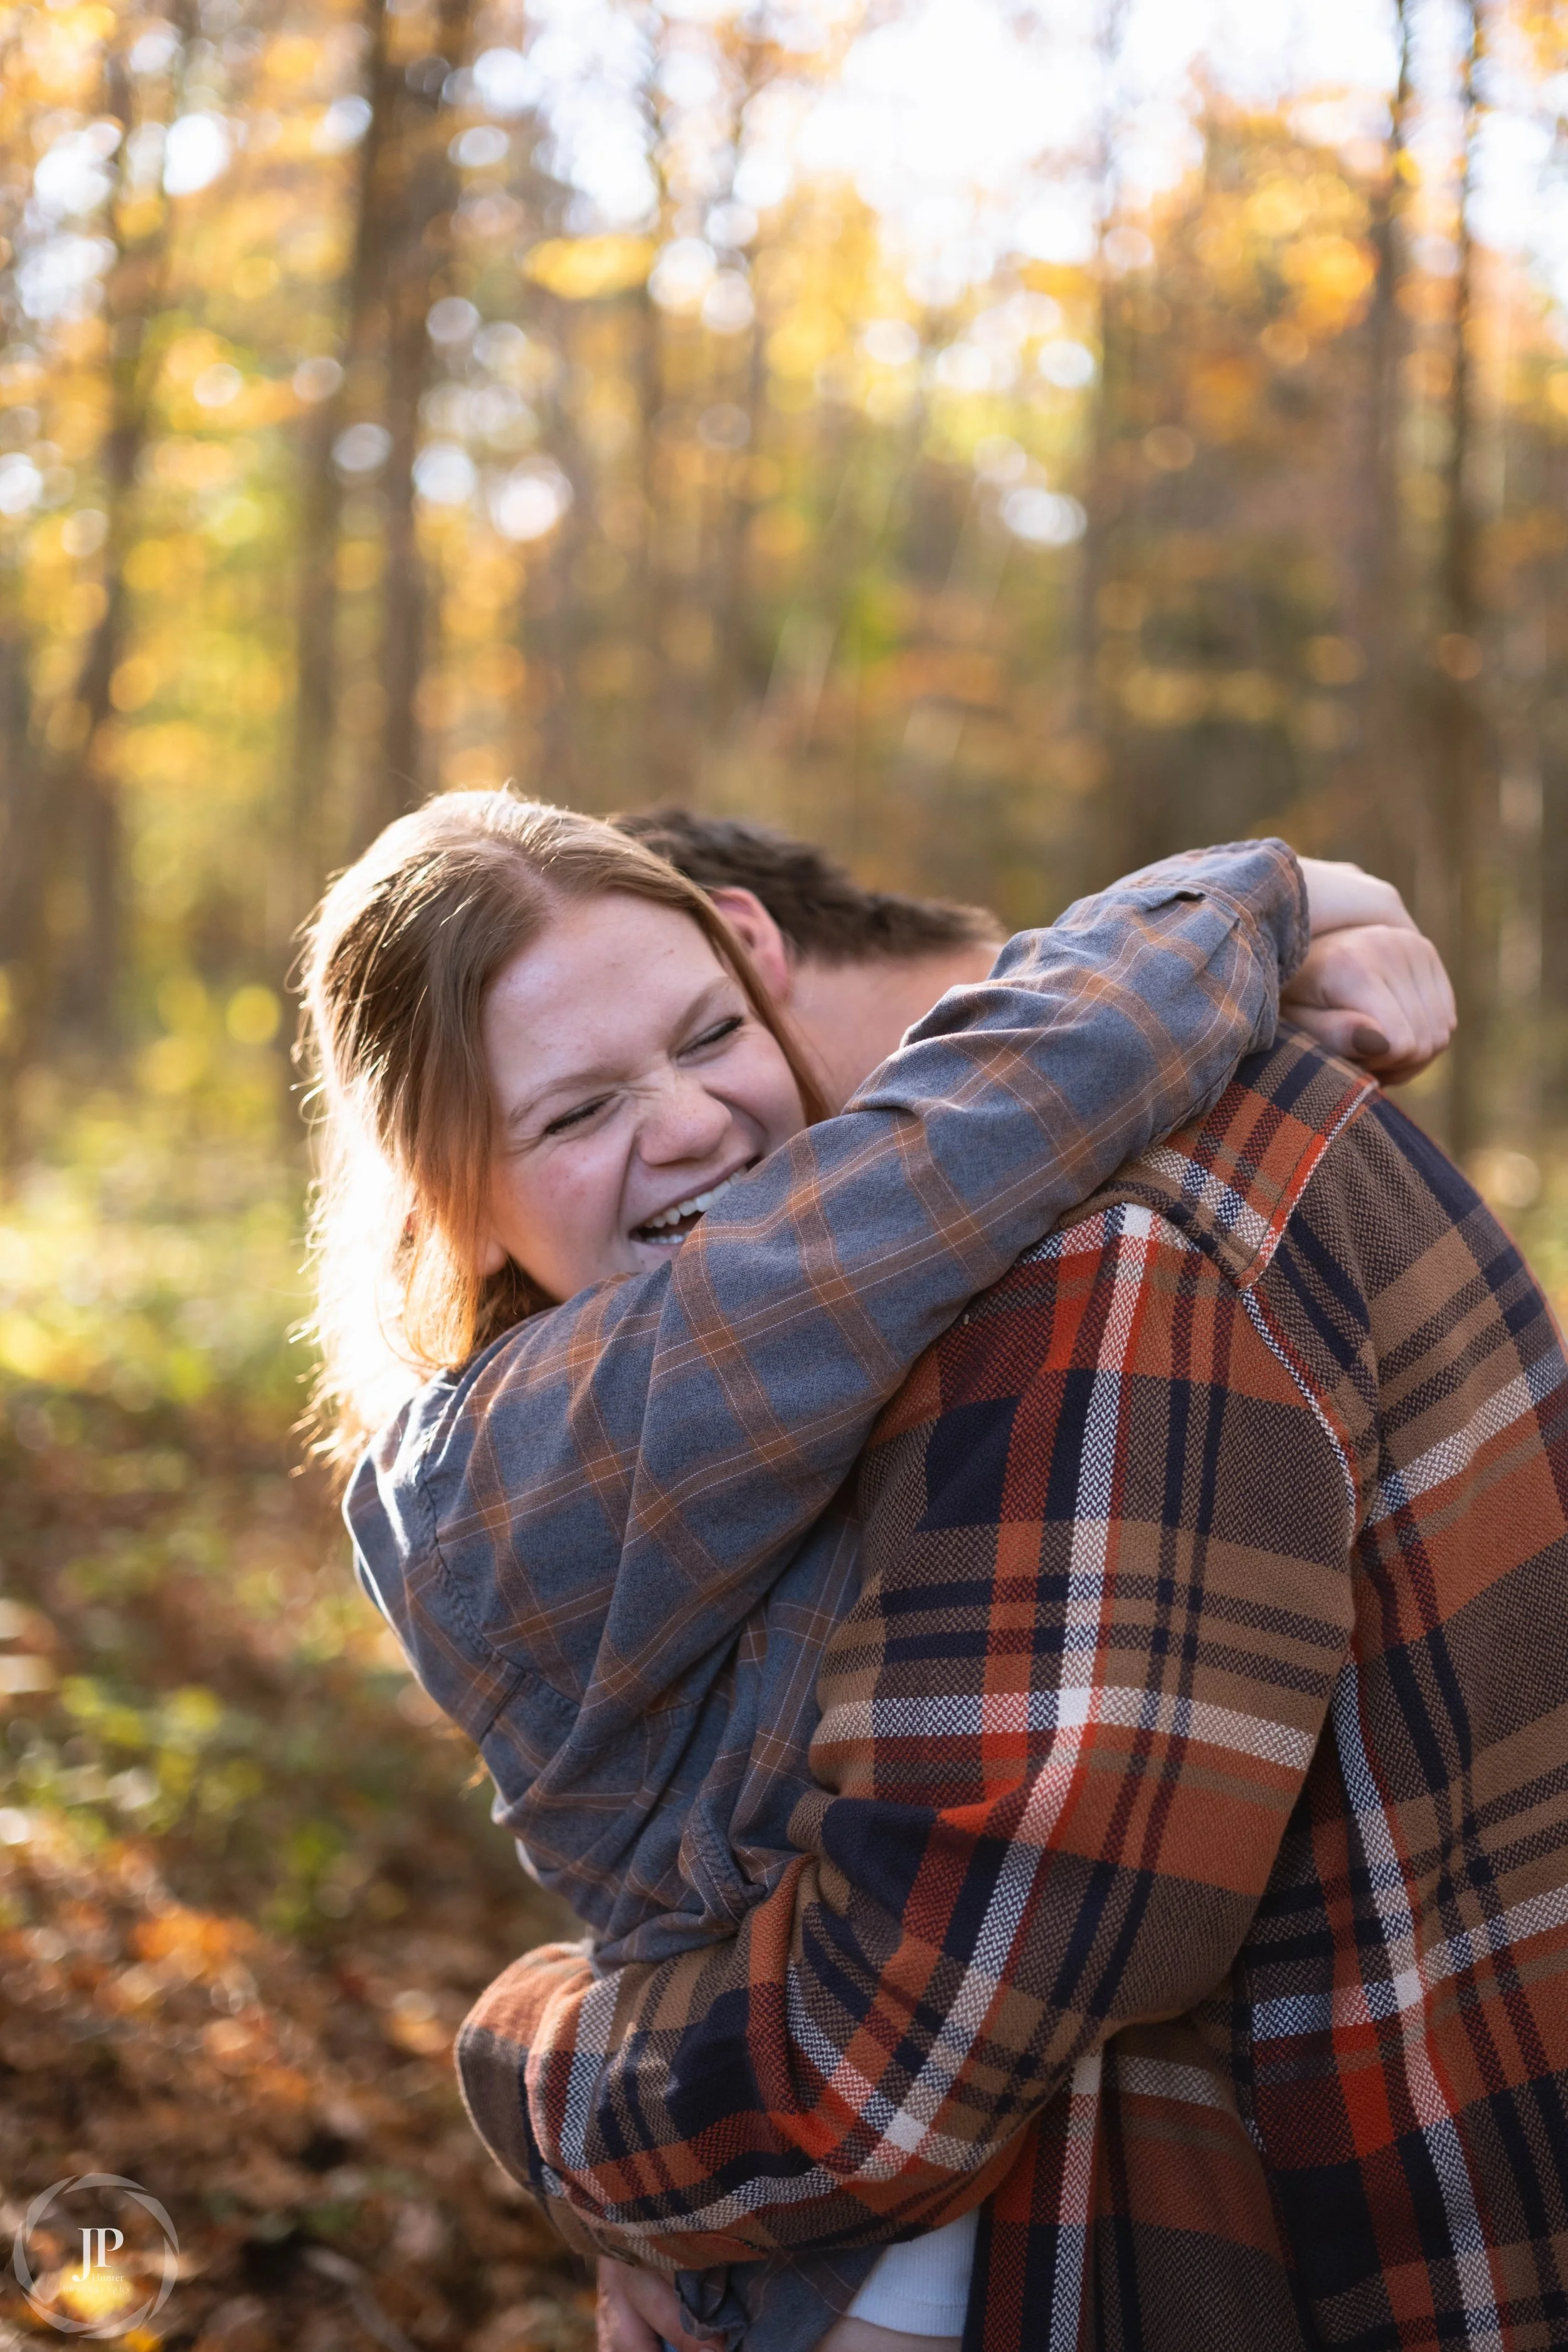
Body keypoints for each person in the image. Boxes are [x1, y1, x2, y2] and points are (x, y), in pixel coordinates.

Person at [303, 795, 1448, 2350]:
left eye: (711, 1035)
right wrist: (1281, 891)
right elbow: (979, 1127)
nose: (692, 1120)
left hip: (924, 2186)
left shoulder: (786, 1329)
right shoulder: (527, 1449)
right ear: (446, 1201)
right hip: (863, 2259)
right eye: (575, 1115)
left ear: (760, 974)